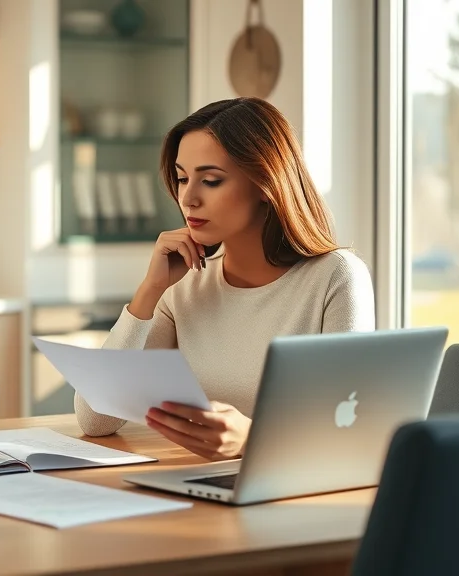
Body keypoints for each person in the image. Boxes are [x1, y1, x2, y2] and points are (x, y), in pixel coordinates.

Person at [74, 97, 374, 461]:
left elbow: (349, 430)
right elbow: (95, 419)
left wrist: (252, 440)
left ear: (265, 184)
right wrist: (148, 292)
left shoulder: (336, 278)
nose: (188, 198)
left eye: (211, 181)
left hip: (292, 495)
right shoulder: (184, 284)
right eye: (183, 178)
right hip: (196, 490)